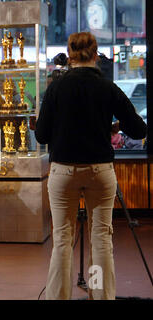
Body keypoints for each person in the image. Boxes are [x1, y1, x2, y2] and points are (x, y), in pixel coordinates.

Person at [34, 32, 147, 300]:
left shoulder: (56, 88)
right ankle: (100, 295)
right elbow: (138, 128)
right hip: (100, 171)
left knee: (61, 241)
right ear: (96, 55)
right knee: (101, 241)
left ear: (70, 55)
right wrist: (113, 127)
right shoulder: (107, 87)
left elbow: (41, 135)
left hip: (63, 171)